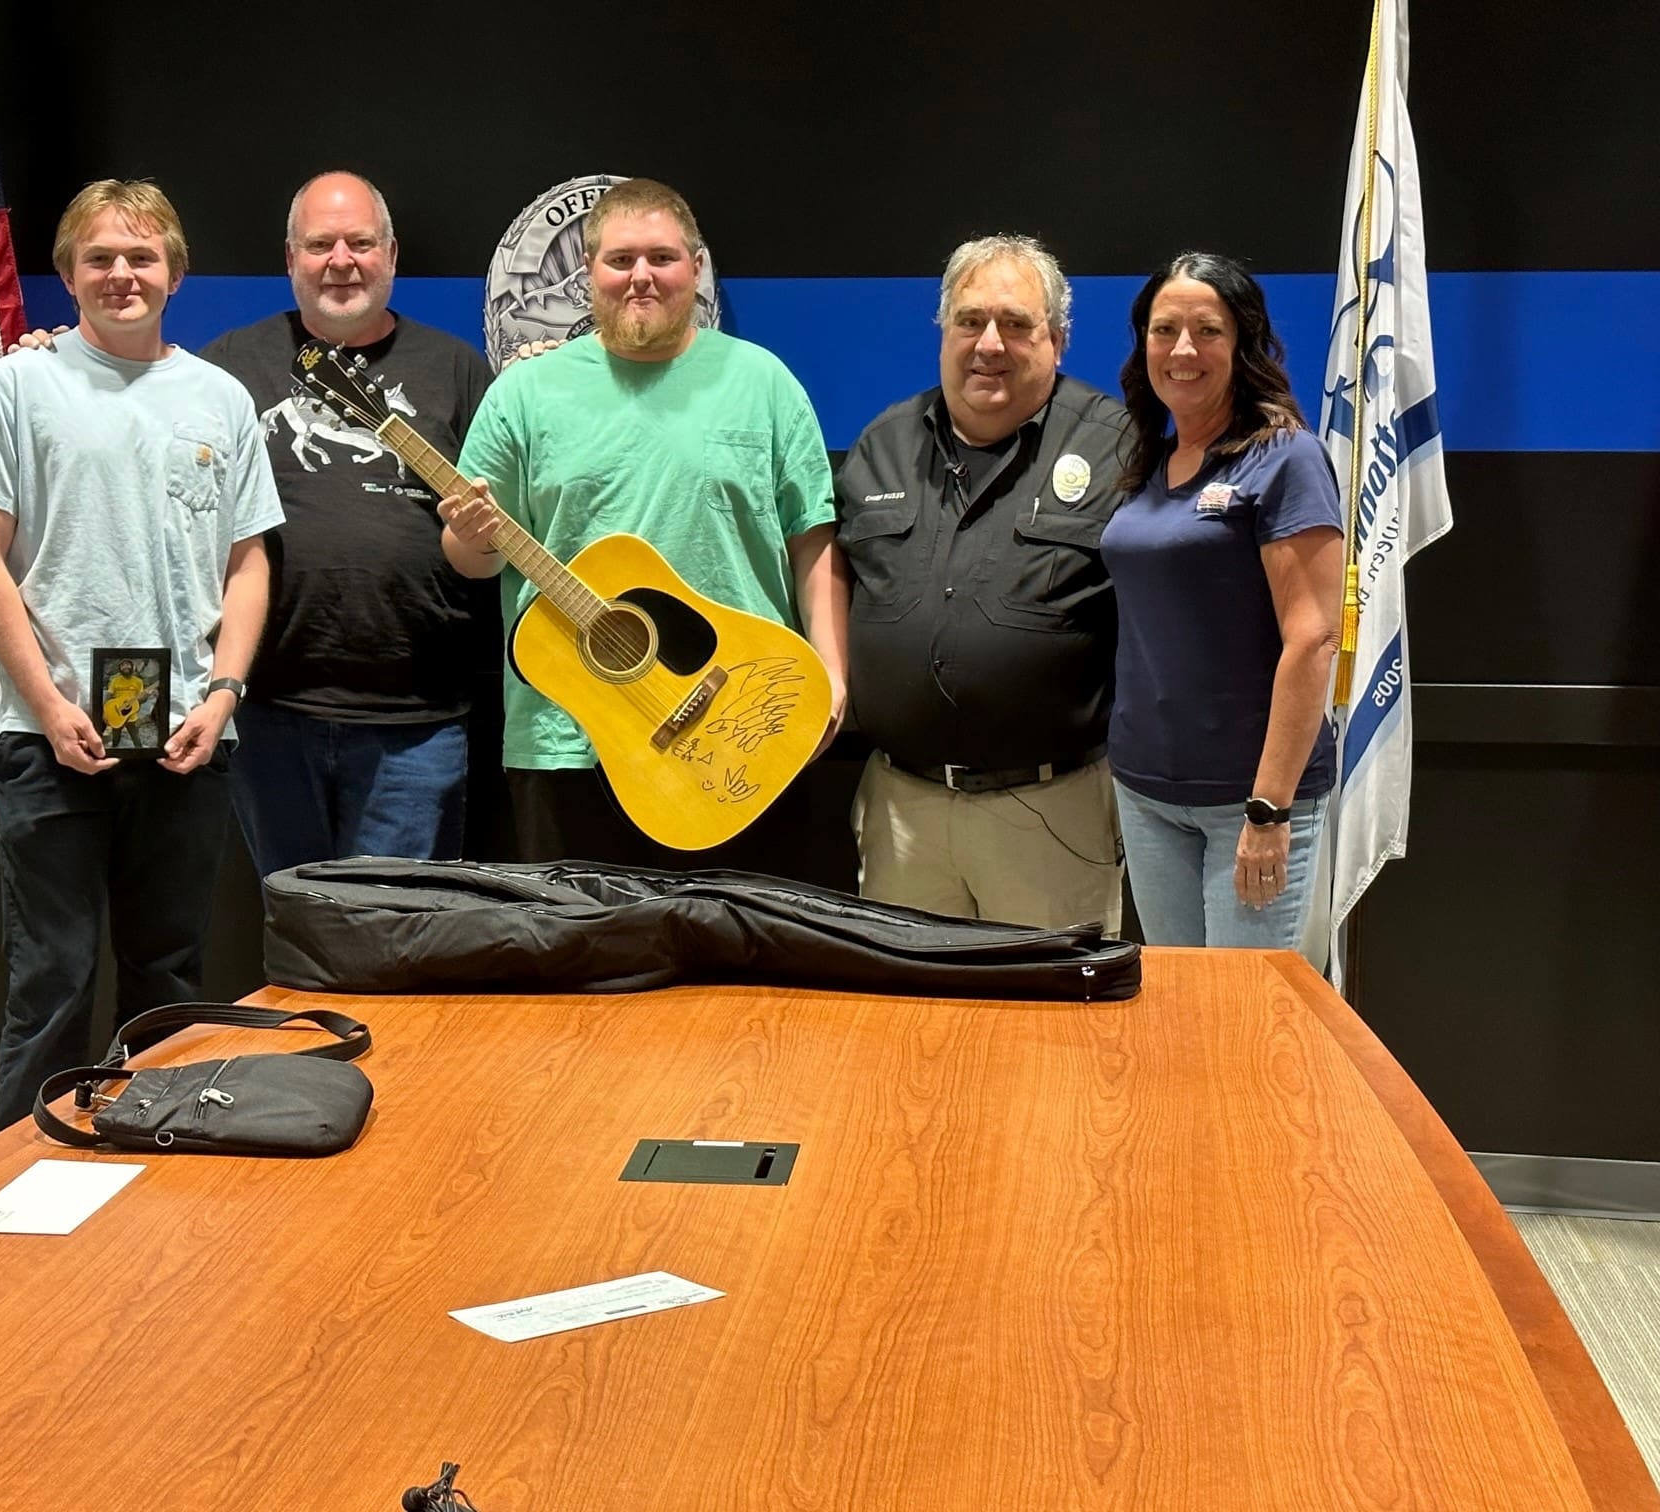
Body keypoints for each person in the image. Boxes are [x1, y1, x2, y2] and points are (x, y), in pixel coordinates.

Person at [0, 179, 282, 1131]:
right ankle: (4, 1192)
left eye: (140, 256)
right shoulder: (20, 385)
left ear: (175, 269)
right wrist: (45, 700)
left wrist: (224, 694)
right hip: (47, 731)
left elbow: (249, 563)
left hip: (182, 729)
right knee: (51, 974)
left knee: (167, 972)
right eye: (100, 258)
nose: (121, 274)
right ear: (67, 274)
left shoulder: (219, 398)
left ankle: (149, 1155)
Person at [436, 178, 847, 873]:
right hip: (568, 744)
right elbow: (473, 560)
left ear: (696, 267)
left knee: (743, 974)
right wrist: (470, 538)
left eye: (662, 258)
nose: (641, 277)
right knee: (587, 968)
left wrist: (833, 675)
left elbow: (813, 541)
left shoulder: (765, 383)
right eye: (620, 260)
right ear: (588, 273)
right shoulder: (522, 396)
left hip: (741, 735)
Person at [200, 172, 496, 876]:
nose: (342, 260)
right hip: (267, 711)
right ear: (290, 259)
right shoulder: (227, 369)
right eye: (321, 244)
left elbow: (491, 546)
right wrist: (56, 351)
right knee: (296, 936)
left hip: (417, 725)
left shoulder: (457, 370)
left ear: (391, 255)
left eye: (361, 243)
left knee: (400, 943)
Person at [835, 235, 1130, 929]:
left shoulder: (1116, 445)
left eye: (1016, 324)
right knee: (910, 1024)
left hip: (1050, 811)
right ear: (944, 333)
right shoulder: (885, 444)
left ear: (1056, 341)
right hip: (901, 809)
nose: (989, 343)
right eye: (969, 321)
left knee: (1053, 1029)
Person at [1100, 251, 1343, 968]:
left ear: (1243, 346)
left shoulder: (1286, 459)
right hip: (1146, 792)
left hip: (1250, 802)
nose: (1182, 350)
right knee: (1178, 1013)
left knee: (1242, 1024)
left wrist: (1270, 810)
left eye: (1207, 330)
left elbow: (1314, 639)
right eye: (1164, 329)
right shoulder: (1151, 459)